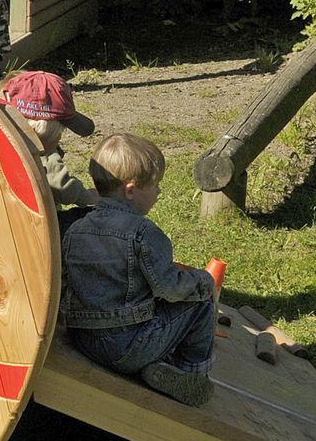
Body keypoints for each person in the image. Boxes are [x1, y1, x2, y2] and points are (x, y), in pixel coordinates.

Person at [61, 133, 217, 406]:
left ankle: (157, 366)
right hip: (126, 347)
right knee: (199, 304)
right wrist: (203, 281)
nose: (159, 192)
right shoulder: (143, 232)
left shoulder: (75, 228)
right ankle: (189, 374)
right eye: (155, 185)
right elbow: (170, 288)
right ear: (131, 190)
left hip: (81, 338)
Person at [0, 71, 99, 230]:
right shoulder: (41, 153)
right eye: (61, 131)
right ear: (43, 134)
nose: (60, 138)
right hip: (36, 229)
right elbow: (61, 185)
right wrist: (90, 197)